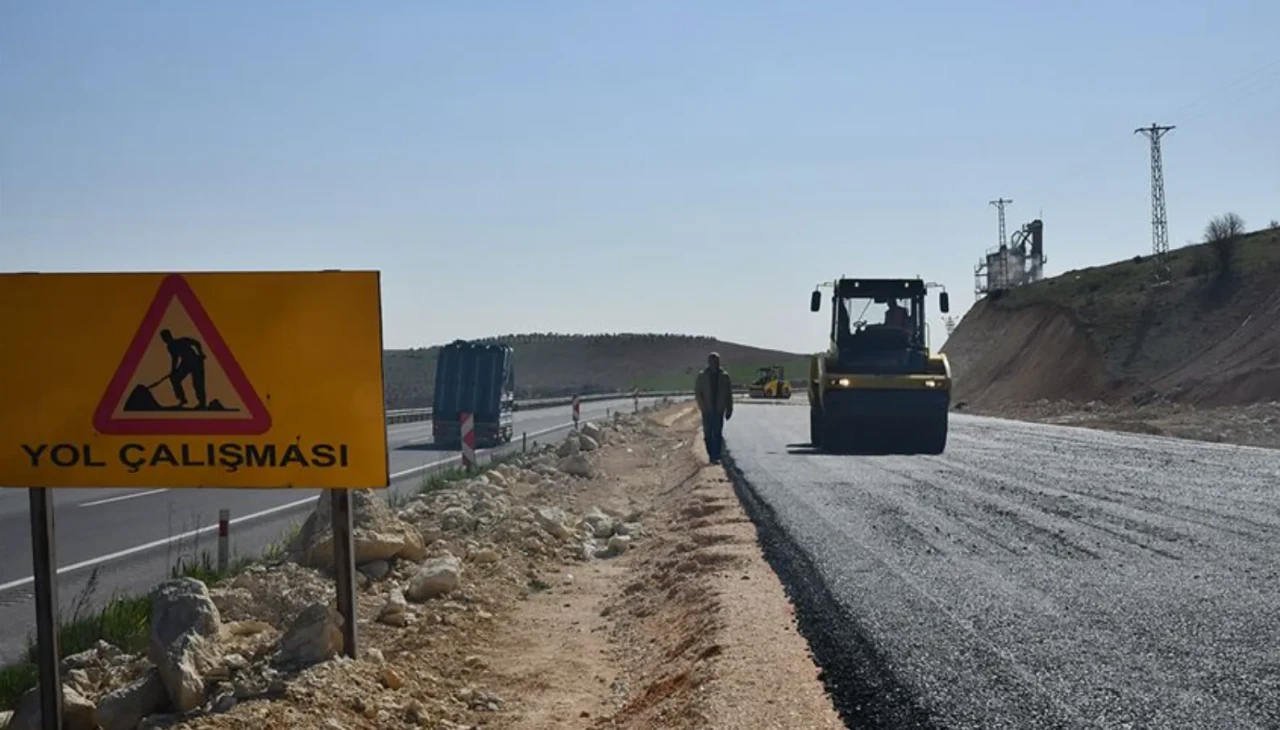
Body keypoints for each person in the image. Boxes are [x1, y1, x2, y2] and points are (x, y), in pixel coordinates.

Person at [694, 351, 733, 464]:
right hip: (707, 410)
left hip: (719, 409)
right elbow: (698, 393)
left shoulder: (724, 376)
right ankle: (711, 453)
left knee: (717, 433)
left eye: (716, 361)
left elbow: (728, 394)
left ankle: (715, 456)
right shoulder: (702, 376)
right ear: (708, 362)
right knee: (707, 434)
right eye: (712, 360)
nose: (714, 363)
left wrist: (729, 408)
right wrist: (702, 407)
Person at [160, 329, 208, 409]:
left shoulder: (182, 340)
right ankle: (182, 399)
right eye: (163, 338)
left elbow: (196, 343)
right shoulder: (170, 347)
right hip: (185, 364)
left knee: (198, 383)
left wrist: (201, 353)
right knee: (174, 379)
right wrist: (173, 371)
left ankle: (202, 403)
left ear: (169, 336)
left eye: (165, 338)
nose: (164, 340)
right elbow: (175, 358)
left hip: (196, 362)